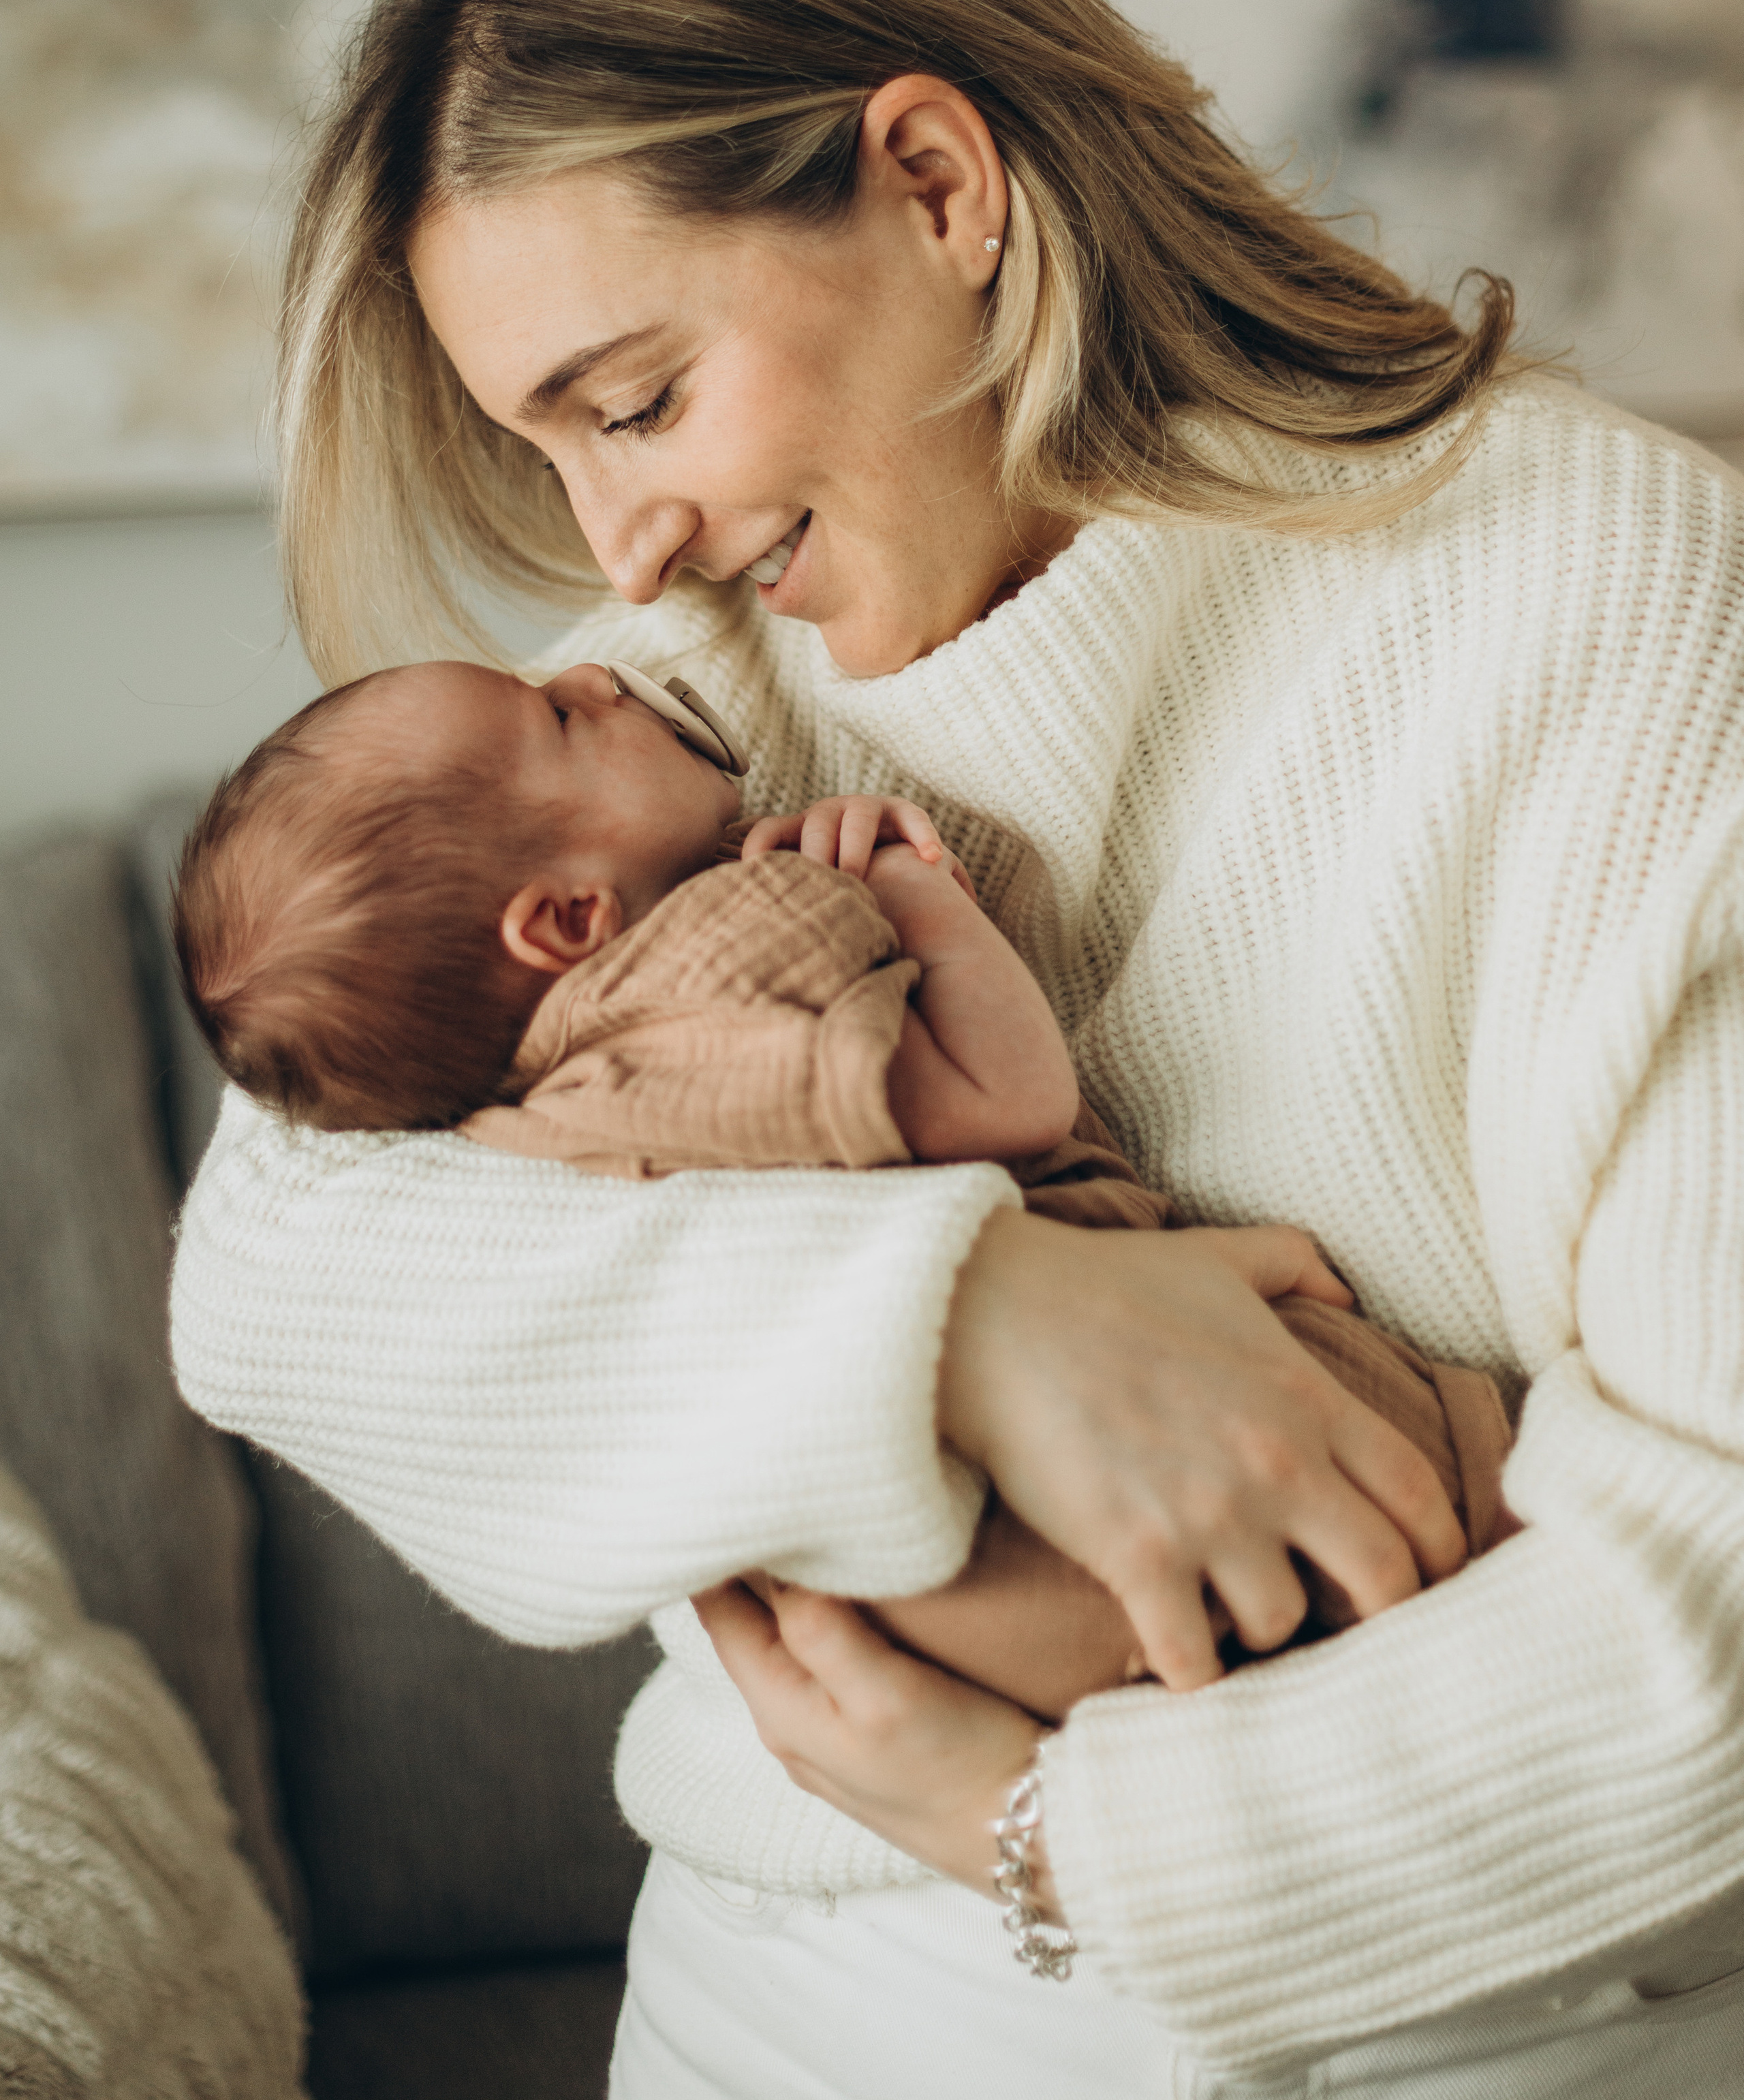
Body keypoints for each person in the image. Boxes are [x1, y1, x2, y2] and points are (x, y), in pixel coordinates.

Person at [169, 0, 1744, 2100]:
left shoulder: (1615, 613)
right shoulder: (711, 683)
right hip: (786, 2031)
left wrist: (1061, 1838)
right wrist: (979, 1326)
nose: (632, 540)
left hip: (1506, 2051)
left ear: (936, 183)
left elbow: (1714, 1598)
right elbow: (277, 1263)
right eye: (553, 453)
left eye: (644, 399)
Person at [169, 661, 1514, 1722]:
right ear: (570, 921)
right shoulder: (730, 949)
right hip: (1084, 1482)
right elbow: (1005, 1105)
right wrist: (912, 893)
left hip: (915, 1621)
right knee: (1441, 1474)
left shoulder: (515, 1106)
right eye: (560, 713)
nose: (598, 668)